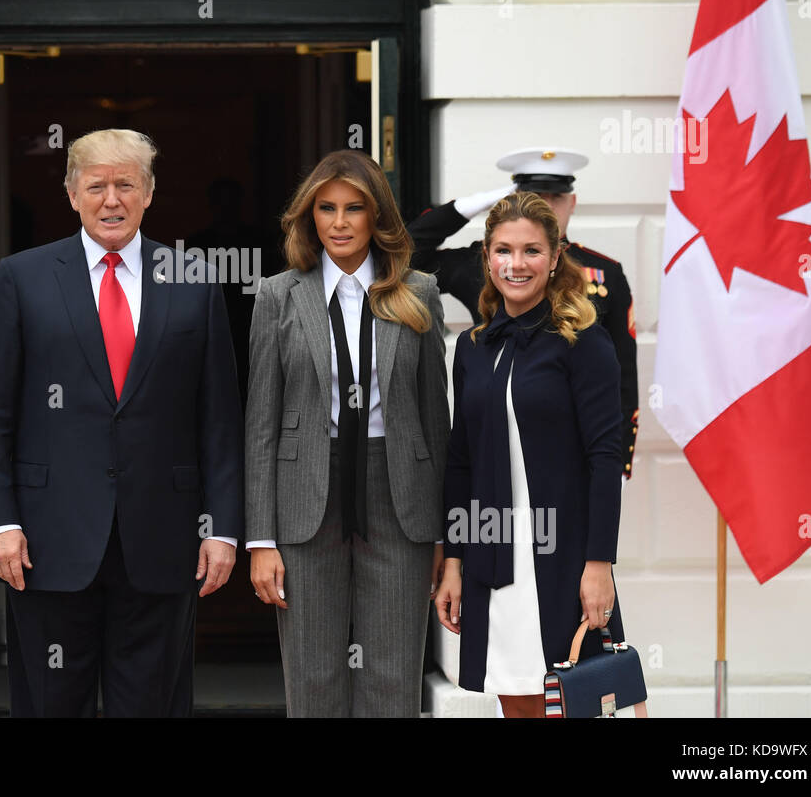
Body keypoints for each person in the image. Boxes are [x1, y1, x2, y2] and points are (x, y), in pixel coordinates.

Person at [0, 128, 243, 717]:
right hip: (44, 543)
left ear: (148, 193)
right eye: (96, 186)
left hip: (163, 539)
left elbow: (219, 417)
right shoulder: (22, 277)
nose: (111, 199)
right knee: (49, 703)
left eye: (126, 184)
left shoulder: (194, 278)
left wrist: (222, 527)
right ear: (72, 194)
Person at [245, 150, 450, 717]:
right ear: (310, 216)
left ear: (375, 216)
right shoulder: (277, 295)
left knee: (393, 672)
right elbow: (261, 426)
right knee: (313, 674)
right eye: (326, 208)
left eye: (353, 208)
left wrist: (442, 535)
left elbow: (438, 422)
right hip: (306, 490)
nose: (338, 222)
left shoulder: (420, 291)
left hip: (397, 493)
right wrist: (260, 540)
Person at [433, 191, 625, 718]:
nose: (516, 264)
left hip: (563, 556)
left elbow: (605, 458)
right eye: (503, 250)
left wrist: (599, 563)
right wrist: (452, 560)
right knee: (516, 703)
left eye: (531, 251)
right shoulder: (473, 346)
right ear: (487, 257)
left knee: (573, 703)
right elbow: (461, 461)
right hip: (491, 554)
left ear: (555, 256)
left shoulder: (584, 341)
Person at [407, 148, 639, 481]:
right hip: (494, 441)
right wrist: (472, 205)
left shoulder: (605, 273)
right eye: (534, 196)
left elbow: (623, 374)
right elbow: (405, 258)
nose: (546, 205)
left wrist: (615, 462)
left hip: (574, 453)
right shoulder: (486, 264)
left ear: (571, 203)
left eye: (556, 197)